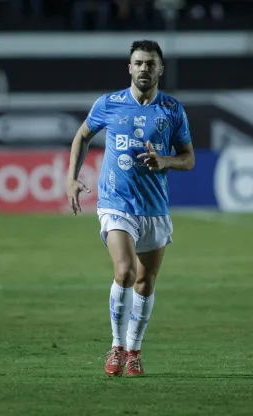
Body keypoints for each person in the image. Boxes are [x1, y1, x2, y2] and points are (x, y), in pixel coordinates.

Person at [65, 40, 196, 376]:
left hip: (153, 207)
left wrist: (165, 160)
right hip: (115, 203)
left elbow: (189, 159)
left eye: (150, 63)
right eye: (138, 63)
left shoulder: (172, 110)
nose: (143, 69)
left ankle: (134, 350)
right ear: (129, 67)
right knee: (124, 271)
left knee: (145, 282)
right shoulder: (109, 104)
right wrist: (71, 178)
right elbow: (82, 136)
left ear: (160, 69)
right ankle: (116, 346)